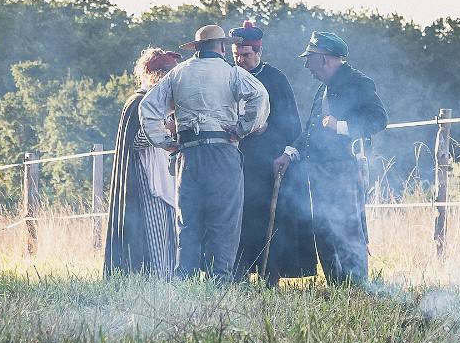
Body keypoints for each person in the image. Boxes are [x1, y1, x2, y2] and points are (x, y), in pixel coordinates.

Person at [139, 24, 268, 282]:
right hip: (222, 151)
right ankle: (219, 279)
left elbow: (148, 108)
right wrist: (242, 129)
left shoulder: (177, 74)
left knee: (188, 221)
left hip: (188, 154)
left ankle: (185, 279)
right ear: (221, 47)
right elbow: (260, 97)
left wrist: (165, 142)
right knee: (224, 220)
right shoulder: (231, 72)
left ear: (197, 47)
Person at [229, 20, 317, 283]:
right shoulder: (228, 78)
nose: (240, 60)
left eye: (245, 55)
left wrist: (267, 127)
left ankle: (271, 276)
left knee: (271, 218)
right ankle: (239, 275)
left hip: (268, 162)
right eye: (236, 55)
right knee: (239, 219)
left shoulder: (275, 79)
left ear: (258, 52)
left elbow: (290, 124)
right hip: (237, 162)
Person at [297, 31, 388, 284]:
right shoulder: (323, 89)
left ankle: (357, 288)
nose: (307, 66)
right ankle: (337, 287)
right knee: (324, 229)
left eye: (310, 59)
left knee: (347, 229)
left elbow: (378, 120)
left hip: (343, 170)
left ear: (324, 59)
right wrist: (291, 152)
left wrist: (341, 126)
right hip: (319, 170)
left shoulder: (358, 83)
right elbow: (311, 129)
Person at [103, 47, 182, 278]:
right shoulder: (139, 102)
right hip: (146, 181)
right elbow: (136, 141)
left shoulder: (163, 103)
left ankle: (169, 282)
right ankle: (157, 281)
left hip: (165, 177)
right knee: (155, 236)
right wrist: (167, 128)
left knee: (170, 235)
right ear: (156, 75)